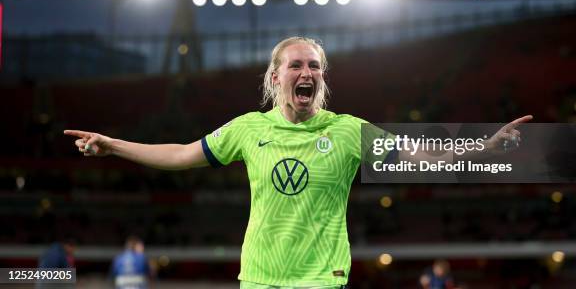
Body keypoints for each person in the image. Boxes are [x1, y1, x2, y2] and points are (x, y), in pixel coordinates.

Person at [65, 36, 531, 288]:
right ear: (275, 76)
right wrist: (113, 145)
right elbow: (182, 154)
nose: (306, 72)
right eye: (295, 65)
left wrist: (483, 148)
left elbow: (422, 156)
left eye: (314, 65)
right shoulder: (249, 128)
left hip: (321, 280)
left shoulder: (348, 130)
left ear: (322, 78)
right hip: (260, 278)